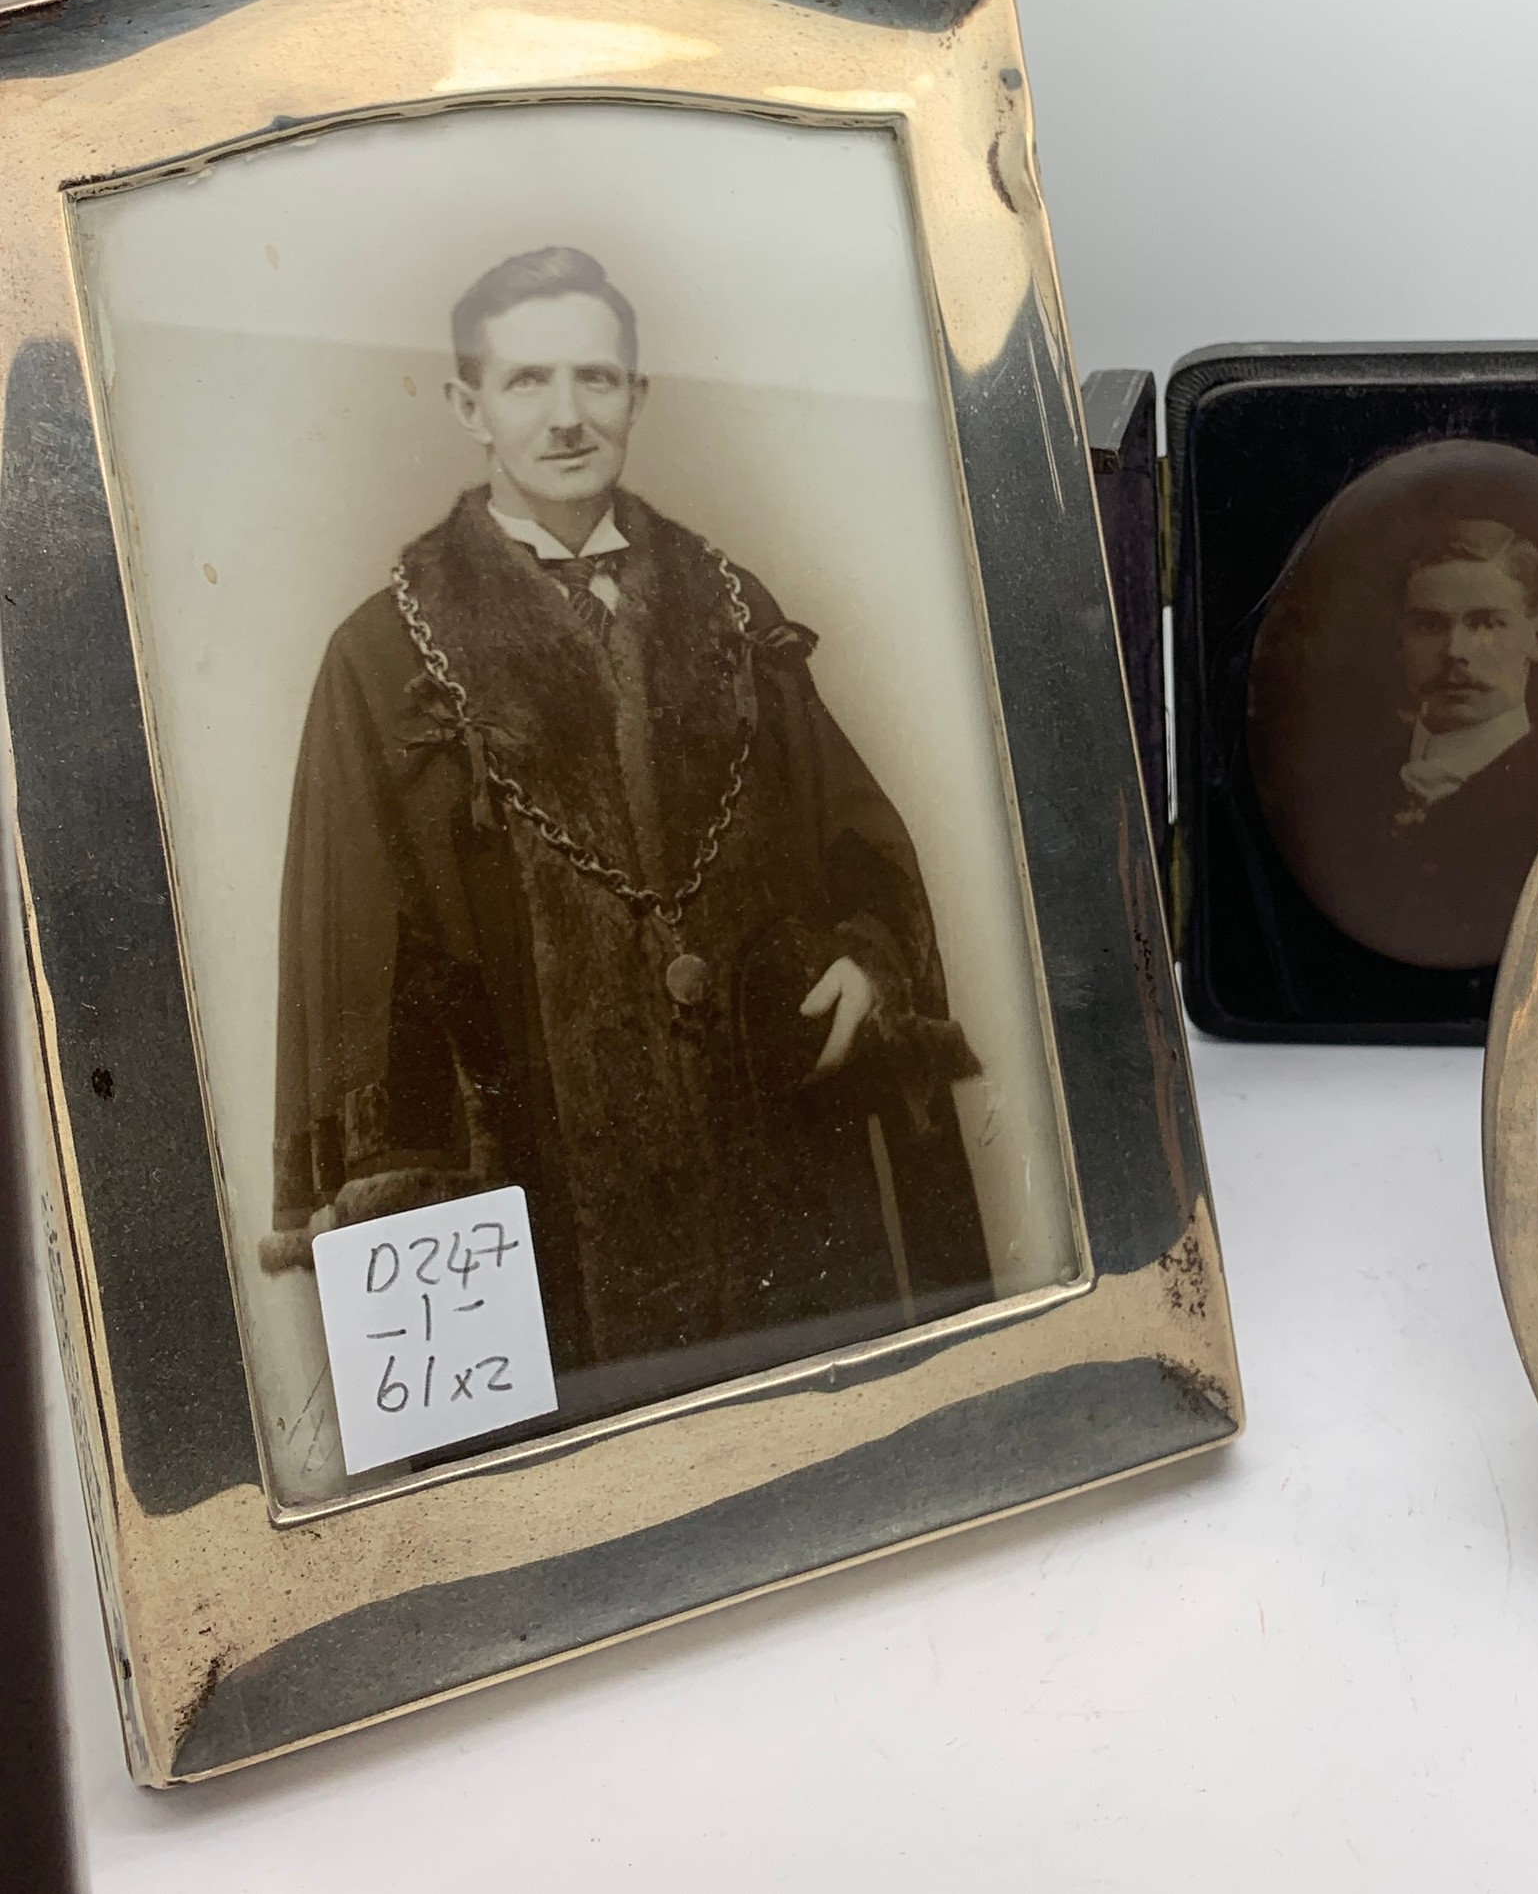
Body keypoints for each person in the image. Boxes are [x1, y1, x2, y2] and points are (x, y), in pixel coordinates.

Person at [261, 245, 994, 1415]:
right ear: (469, 407)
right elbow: (367, 999)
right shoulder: (386, 659)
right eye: (526, 383)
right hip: (541, 1200)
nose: (566, 417)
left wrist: (869, 955)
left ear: (638, 398)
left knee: (825, 1462)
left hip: (776, 1157)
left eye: (598, 381)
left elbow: (854, 837)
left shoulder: (729, 604)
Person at [1352, 518, 1538, 969]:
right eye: (1429, 626)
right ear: (1400, 641)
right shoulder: (1349, 788)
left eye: (1486, 624)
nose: (1456, 650)